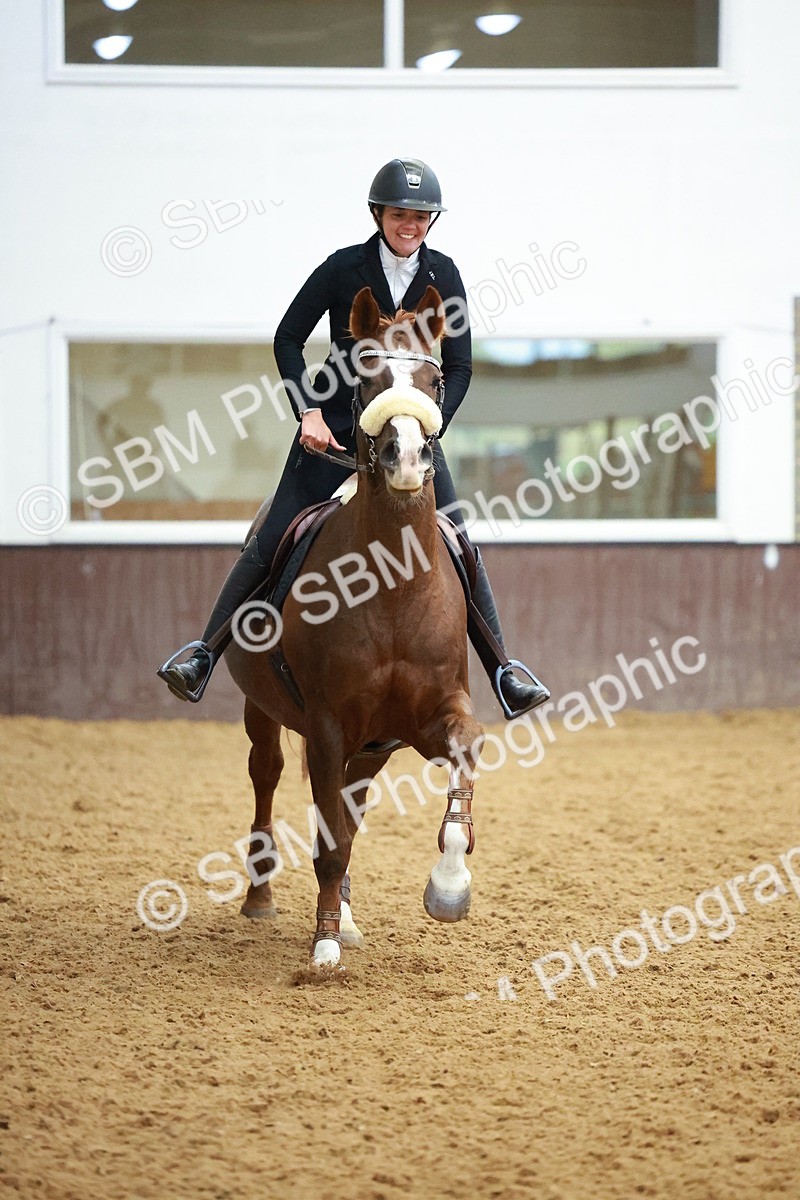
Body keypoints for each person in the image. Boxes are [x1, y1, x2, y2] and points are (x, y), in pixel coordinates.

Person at [159, 157, 550, 718]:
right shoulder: (344, 267)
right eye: (399, 214)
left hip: (410, 435)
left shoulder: (445, 275)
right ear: (378, 215)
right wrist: (309, 412)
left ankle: (504, 672)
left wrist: (428, 423)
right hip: (336, 436)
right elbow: (288, 337)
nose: (410, 225)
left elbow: (460, 367)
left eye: (420, 216)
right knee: (273, 535)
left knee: (462, 544)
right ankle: (203, 653)